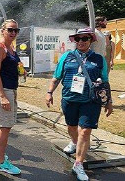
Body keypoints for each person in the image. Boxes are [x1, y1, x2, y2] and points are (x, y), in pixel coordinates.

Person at [46, 27, 113, 181]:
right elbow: (56, 77)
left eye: (85, 39)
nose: (81, 42)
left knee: (85, 131)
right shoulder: (66, 57)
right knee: (71, 126)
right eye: (78, 39)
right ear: (75, 41)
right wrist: (49, 93)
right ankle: (74, 142)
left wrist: (109, 101)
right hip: (69, 99)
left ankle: (78, 164)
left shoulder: (99, 59)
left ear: (91, 40)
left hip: (91, 101)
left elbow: (105, 81)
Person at [0, 19, 22, 176]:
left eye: (16, 30)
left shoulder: (11, 47)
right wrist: (2, 96)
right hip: (2, 90)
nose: (13, 33)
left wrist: (21, 70)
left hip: (10, 89)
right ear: (3, 30)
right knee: (5, 126)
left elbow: (14, 65)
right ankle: (1, 163)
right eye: (10, 30)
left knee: (3, 124)